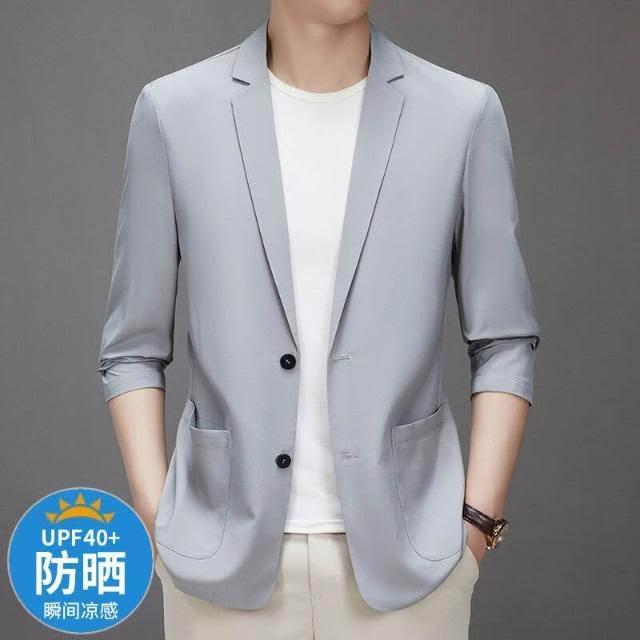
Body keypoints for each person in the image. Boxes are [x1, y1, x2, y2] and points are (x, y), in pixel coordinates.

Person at [98, 1, 540, 638]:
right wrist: (156, 515)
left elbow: (503, 339)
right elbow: (132, 346)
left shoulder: (461, 113)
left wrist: (476, 523)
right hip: (219, 564)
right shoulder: (174, 112)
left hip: (411, 564)